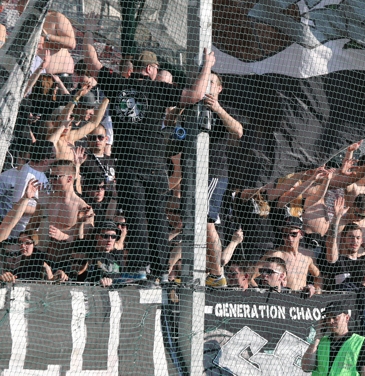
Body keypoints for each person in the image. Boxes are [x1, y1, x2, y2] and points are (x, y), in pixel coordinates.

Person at [94, 48, 213, 282]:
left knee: (136, 217)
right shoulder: (159, 89)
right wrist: (207, 64)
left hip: (129, 165)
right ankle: (161, 271)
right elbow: (196, 95)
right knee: (158, 218)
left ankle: (139, 267)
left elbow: (90, 61)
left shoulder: (117, 84)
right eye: (156, 69)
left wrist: (87, 32)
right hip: (156, 165)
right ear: (150, 69)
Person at [203, 71, 243, 284]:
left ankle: (217, 273)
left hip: (214, 172)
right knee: (193, 222)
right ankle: (206, 270)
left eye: (211, 83)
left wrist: (217, 108)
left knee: (206, 220)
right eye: (204, 82)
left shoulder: (222, 109)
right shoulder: (195, 105)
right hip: (193, 172)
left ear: (219, 88)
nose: (207, 86)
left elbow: (238, 131)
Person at [25, 160, 95, 267]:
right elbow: (30, 228)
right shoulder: (46, 199)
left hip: (66, 262)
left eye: (56, 177)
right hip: (40, 257)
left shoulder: (83, 208)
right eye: (50, 176)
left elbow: (85, 243)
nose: (51, 181)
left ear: (69, 178)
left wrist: (64, 236)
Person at [301, 302, 365, 376]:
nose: (330, 321)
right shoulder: (321, 342)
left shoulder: (361, 343)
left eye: (334, 317)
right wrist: (317, 338)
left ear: (347, 318)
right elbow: (306, 367)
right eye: (327, 317)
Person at [255, 217, 321, 293]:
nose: (289, 238)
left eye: (293, 234)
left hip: (302, 300)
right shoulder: (275, 254)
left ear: (301, 233)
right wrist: (258, 291)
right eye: (285, 235)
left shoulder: (307, 255)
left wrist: (317, 293)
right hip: (282, 300)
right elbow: (251, 275)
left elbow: (318, 277)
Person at [0, 230, 68, 282]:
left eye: (27, 243)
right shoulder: (12, 258)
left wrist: (58, 275)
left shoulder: (41, 261)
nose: (23, 246)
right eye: (20, 242)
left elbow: (50, 281)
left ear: (34, 244)